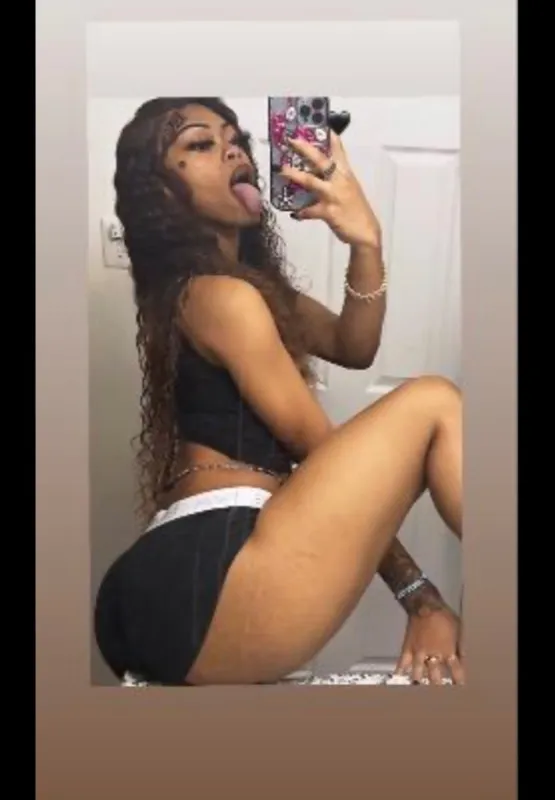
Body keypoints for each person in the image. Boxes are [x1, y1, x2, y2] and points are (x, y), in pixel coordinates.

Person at [94, 96, 465, 688]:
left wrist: (364, 243)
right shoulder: (223, 297)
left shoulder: (239, 292)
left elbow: (353, 344)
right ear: (161, 192)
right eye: (200, 144)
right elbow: (316, 446)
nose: (232, 150)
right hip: (210, 568)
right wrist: (422, 599)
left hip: (173, 575)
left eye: (235, 138)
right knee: (436, 401)